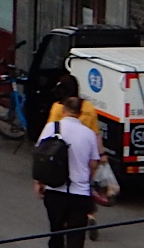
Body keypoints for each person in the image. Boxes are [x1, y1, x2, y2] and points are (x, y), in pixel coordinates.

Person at [37, 87, 103, 248]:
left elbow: (40, 157)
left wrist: (39, 182)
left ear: (63, 110)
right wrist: (88, 181)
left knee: (56, 233)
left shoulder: (51, 128)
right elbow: (93, 164)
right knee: (76, 238)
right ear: (80, 113)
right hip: (80, 193)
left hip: (55, 190)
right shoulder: (88, 134)